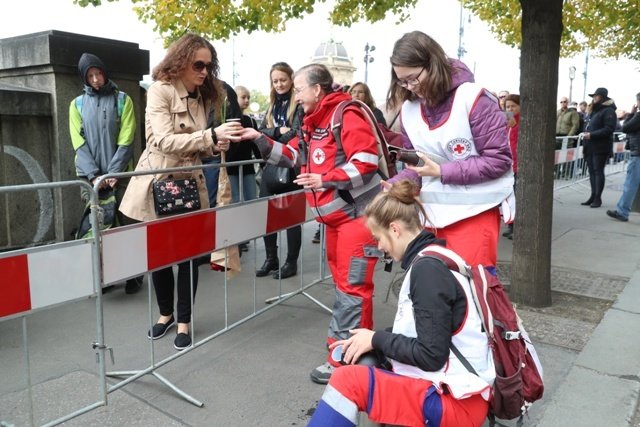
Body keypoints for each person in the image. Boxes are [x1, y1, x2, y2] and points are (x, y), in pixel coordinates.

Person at [307, 179, 494, 427]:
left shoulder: (427, 271)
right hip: (458, 391)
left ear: (395, 229)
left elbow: (430, 355)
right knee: (367, 366)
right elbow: (430, 334)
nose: (380, 247)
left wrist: (375, 339)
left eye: (379, 238)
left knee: (347, 381)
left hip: (458, 404)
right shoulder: (435, 258)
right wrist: (371, 338)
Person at [240, 63, 381, 384]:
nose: (296, 95)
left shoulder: (346, 114)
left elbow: (367, 162)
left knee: (353, 289)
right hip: (337, 221)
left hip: (356, 220)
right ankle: (359, 351)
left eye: (300, 89)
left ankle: (343, 359)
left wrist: (325, 179)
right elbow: (291, 155)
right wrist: (257, 138)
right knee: (350, 288)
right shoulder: (313, 120)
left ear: (317, 90)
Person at [119, 33, 243, 350]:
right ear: (181, 62)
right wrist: (209, 135)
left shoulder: (203, 96)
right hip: (158, 181)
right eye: (197, 64)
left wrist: (215, 143)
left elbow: (199, 145)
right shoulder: (160, 91)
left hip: (191, 183)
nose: (204, 71)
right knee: (160, 255)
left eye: (208, 65)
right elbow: (161, 141)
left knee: (188, 255)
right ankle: (165, 315)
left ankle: (185, 320)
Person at [385, 31, 514, 269]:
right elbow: (419, 166)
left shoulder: (474, 98)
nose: (410, 87)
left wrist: (443, 171)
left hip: (475, 214)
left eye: (413, 78)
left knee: (473, 293)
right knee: (437, 293)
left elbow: (499, 161)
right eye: (402, 81)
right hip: (431, 218)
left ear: (432, 65)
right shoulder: (409, 110)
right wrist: (399, 182)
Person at [69, 52, 142, 295]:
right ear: (84, 78)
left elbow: (127, 137)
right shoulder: (76, 105)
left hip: (118, 175)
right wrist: (93, 175)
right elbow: (78, 142)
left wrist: (113, 173)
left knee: (124, 224)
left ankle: (133, 273)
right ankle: (104, 275)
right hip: (90, 176)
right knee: (98, 226)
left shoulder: (123, 100)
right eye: (90, 76)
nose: (96, 79)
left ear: (104, 72)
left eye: (98, 73)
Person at [255, 62, 303, 280]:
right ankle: (271, 258)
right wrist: (275, 131)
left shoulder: (299, 104)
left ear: (291, 79)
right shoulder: (271, 105)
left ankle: (291, 261)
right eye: (275, 81)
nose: (279, 84)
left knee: (291, 217)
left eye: (283, 79)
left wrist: (271, 140)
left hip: (292, 165)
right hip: (271, 165)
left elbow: (296, 133)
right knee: (267, 214)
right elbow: (260, 132)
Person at [580, 87, 617, 208]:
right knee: (591, 171)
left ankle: (597, 198)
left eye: (596, 96)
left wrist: (592, 135)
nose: (594, 98)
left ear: (602, 97)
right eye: (593, 96)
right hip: (590, 146)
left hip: (600, 147)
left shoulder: (608, 111)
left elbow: (609, 129)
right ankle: (592, 195)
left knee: (598, 171)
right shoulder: (594, 110)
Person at [607, 92, 640, 222]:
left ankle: (622, 211)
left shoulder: (639, 116)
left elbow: (625, 127)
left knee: (630, 184)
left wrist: (632, 113)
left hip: (638, 154)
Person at [503, 94, 520, 239]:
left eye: (513, 106)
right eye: (507, 107)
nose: (510, 109)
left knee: (518, 196)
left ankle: (517, 227)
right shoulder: (507, 123)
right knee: (510, 196)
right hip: (508, 166)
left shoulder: (520, 123)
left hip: (518, 165)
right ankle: (511, 225)